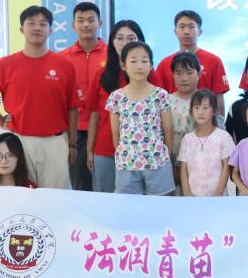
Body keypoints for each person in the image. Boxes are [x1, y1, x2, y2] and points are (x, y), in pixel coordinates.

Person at [0, 5, 78, 189]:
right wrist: (2, 122)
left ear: (51, 30)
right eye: (31, 23)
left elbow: (73, 107)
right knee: (20, 196)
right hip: (19, 142)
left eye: (43, 24)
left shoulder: (64, 65)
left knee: (55, 197)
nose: (37, 28)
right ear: (22, 29)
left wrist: (72, 145)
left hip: (55, 143)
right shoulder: (5, 65)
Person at [86, 20, 159, 193]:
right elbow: (94, 114)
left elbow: (159, 113)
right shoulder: (100, 74)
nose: (125, 42)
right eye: (119, 38)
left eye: (131, 38)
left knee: (139, 203)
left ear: (140, 41)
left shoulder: (150, 74)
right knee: (106, 200)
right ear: (112, 42)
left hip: (144, 151)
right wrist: (90, 149)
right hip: (106, 150)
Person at [106, 42, 176, 196]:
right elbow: (115, 134)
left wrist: (166, 156)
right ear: (123, 65)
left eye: (144, 61)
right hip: (127, 163)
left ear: (151, 65)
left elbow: (168, 130)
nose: (139, 66)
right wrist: (124, 154)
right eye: (133, 61)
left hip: (157, 161)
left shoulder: (161, 95)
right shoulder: (116, 97)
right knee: (128, 207)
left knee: (161, 205)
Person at [61, 1, 107, 192]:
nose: (86, 25)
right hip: (76, 131)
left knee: (109, 186)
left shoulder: (113, 56)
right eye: (80, 21)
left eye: (91, 20)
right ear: (73, 25)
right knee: (81, 186)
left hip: (106, 129)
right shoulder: (62, 58)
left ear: (100, 23)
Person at [156, 10, 229, 117]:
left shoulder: (214, 61)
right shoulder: (164, 64)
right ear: (175, 31)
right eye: (182, 27)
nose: (186, 31)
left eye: (191, 27)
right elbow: (159, 99)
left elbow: (218, 97)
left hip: (206, 121)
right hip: (173, 121)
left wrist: (220, 123)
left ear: (200, 31)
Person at [177, 89, 235, 197]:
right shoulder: (187, 139)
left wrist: (218, 194)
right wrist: (187, 193)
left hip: (217, 197)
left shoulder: (223, 137)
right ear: (191, 111)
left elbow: (226, 167)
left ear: (214, 111)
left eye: (205, 107)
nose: (200, 112)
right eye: (196, 107)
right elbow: (183, 168)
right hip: (193, 197)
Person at [168, 51, 201, 191]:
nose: (184, 78)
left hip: (201, 169)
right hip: (171, 168)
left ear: (199, 74)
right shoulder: (165, 102)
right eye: (179, 73)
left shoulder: (207, 101)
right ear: (172, 75)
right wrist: (170, 167)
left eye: (189, 72)